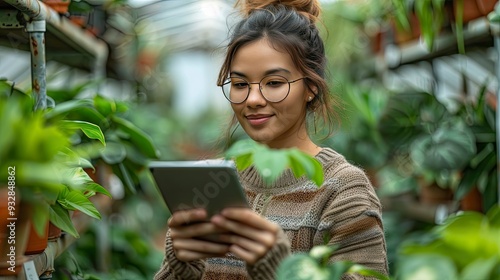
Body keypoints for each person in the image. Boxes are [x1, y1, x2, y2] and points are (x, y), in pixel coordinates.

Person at [154, 0, 388, 279]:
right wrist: (180, 265)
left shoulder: (343, 192)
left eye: (274, 83)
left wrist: (280, 271)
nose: (253, 99)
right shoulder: (212, 182)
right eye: (240, 84)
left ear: (311, 87)